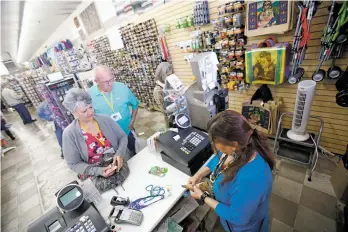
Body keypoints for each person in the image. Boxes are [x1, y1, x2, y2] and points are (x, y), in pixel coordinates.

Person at [187, 110, 274, 232]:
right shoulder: (241, 146)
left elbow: (238, 217)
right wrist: (198, 175)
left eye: (216, 144)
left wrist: (203, 197)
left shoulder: (250, 179)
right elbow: (218, 160)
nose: (215, 147)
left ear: (234, 144)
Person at [62, 88, 130, 192]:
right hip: (94, 176)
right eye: (84, 111)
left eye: (90, 107)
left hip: (116, 166)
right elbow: (73, 164)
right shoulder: (69, 134)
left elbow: (122, 137)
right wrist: (98, 171)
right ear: (74, 113)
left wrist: (119, 154)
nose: (90, 112)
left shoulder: (105, 119)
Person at [89, 65, 139, 156]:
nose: (111, 83)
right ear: (96, 82)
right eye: (106, 82)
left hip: (127, 132)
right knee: (119, 160)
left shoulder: (122, 87)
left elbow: (135, 104)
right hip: (109, 138)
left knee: (135, 153)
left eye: (111, 79)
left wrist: (132, 121)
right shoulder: (89, 95)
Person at [153, 62, 173, 127]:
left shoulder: (169, 83)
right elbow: (163, 109)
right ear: (162, 74)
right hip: (170, 118)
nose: (170, 76)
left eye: (171, 73)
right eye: (168, 74)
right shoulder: (157, 90)